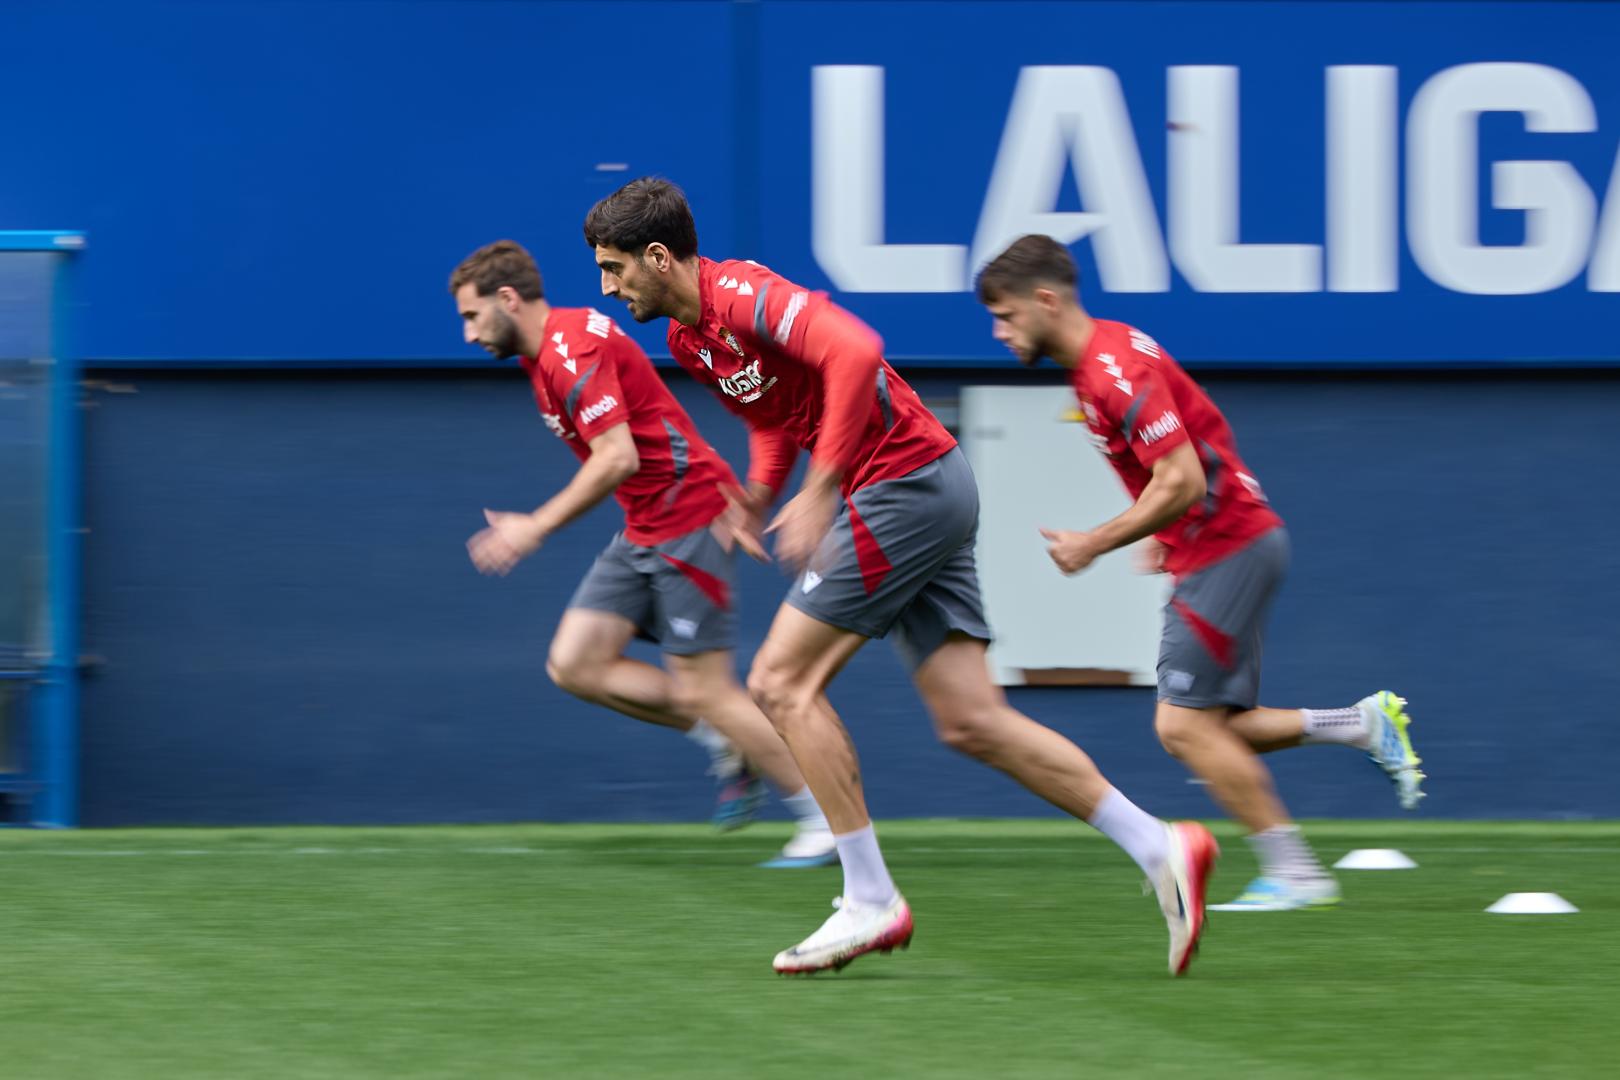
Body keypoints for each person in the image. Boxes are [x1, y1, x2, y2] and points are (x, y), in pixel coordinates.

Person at [583, 178, 1217, 976]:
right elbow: (776, 418)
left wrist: (821, 490)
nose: (608, 287)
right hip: (922, 487)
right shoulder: (688, 341)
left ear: (659, 256)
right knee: (971, 721)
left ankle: (870, 900)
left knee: (781, 683)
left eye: (614, 268)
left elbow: (854, 350)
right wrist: (760, 493)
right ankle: (1160, 845)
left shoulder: (741, 294)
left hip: (904, 487)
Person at [975, 233, 1427, 911]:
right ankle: (1361, 725)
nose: (997, 330)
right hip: (1223, 543)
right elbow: (1196, 433)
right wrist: (1159, 526)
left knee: (1183, 728)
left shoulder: (1111, 368)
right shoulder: (1106, 359)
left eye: (1006, 314)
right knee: (1207, 726)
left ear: (1045, 300)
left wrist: (1095, 542)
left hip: (1228, 547)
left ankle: (1296, 871)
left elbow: (1181, 477)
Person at [450, 240, 835, 868]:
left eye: (472, 316)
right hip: (645, 524)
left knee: (707, 688)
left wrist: (534, 527)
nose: (468, 334)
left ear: (508, 300)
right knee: (575, 663)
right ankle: (727, 741)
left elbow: (618, 457)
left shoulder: (569, 349)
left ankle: (821, 816)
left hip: (689, 516)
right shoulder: (544, 354)